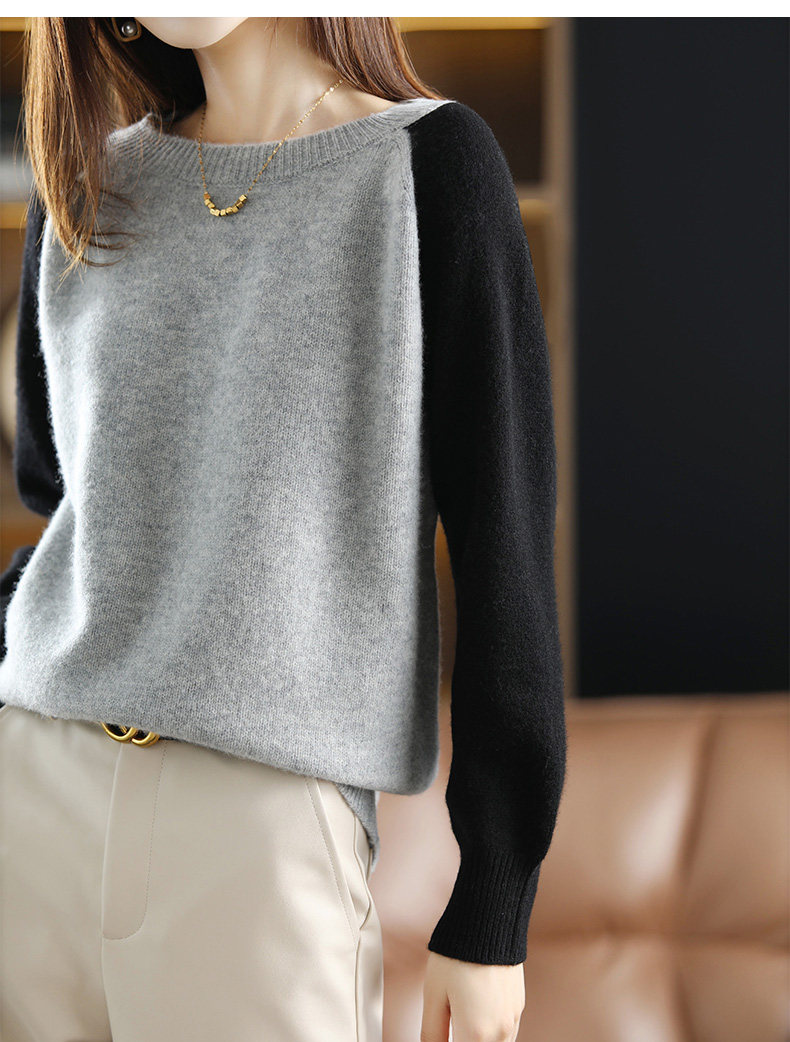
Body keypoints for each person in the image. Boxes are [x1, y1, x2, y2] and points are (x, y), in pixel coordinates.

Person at [0, 16, 567, 1042]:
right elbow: (62, 500)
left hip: (262, 836)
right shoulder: (81, 177)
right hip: (31, 801)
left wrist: (494, 901)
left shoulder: (427, 168)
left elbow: (505, 555)